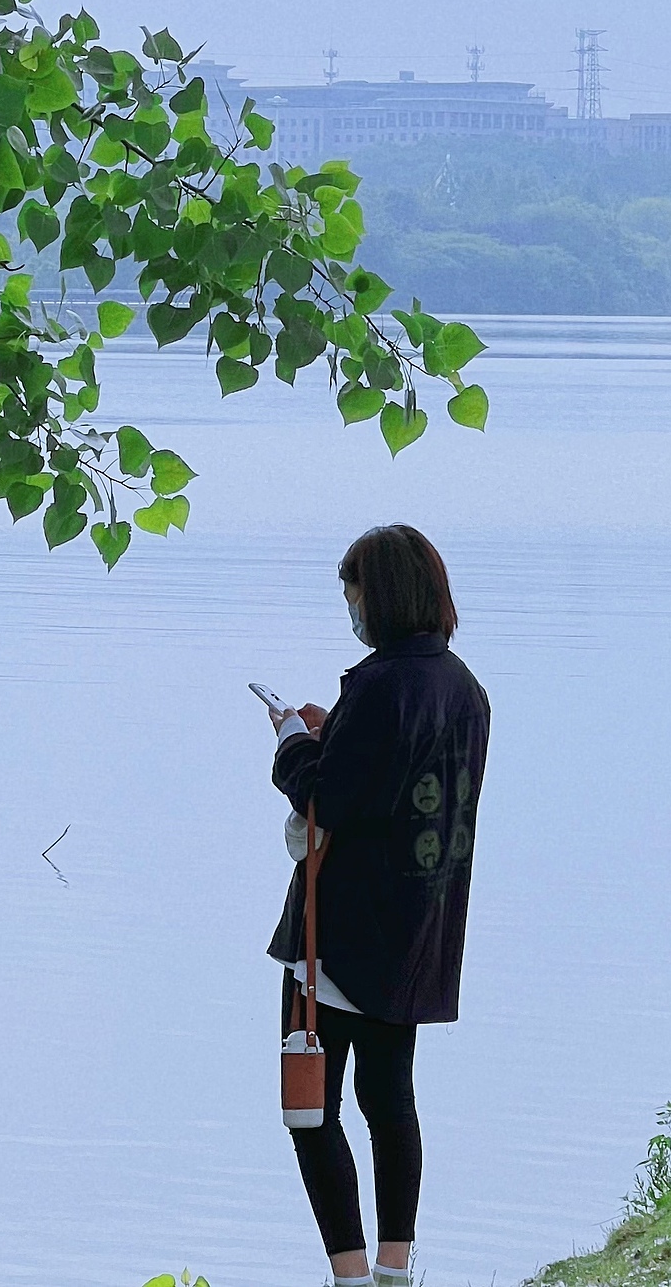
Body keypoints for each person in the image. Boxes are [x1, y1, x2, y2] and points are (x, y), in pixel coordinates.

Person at [264, 523, 490, 1287]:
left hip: (340, 936)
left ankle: (350, 1274)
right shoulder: (465, 689)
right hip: (420, 929)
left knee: (311, 1108)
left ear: (381, 593)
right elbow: (400, 787)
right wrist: (336, 741)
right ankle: (399, 1267)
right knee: (390, 1098)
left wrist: (294, 741)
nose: (351, 607)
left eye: (353, 590)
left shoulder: (378, 683)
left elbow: (328, 798)